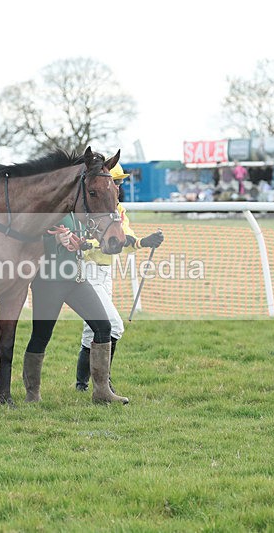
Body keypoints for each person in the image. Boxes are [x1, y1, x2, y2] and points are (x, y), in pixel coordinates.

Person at [22, 212, 129, 404]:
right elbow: (26, 239)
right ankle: (32, 394)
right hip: (49, 281)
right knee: (41, 336)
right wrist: (54, 239)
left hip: (77, 280)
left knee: (104, 327)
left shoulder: (78, 211)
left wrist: (81, 242)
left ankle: (102, 392)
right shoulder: (49, 206)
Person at [74, 164, 164, 392]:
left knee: (91, 331)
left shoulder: (117, 209)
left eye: (120, 183)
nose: (119, 186)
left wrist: (144, 241)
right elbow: (90, 243)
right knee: (114, 326)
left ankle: (82, 384)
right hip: (87, 269)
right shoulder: (90, 208)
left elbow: (125, 239)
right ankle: (103, 383)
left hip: (106, 273)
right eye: (117, 182)